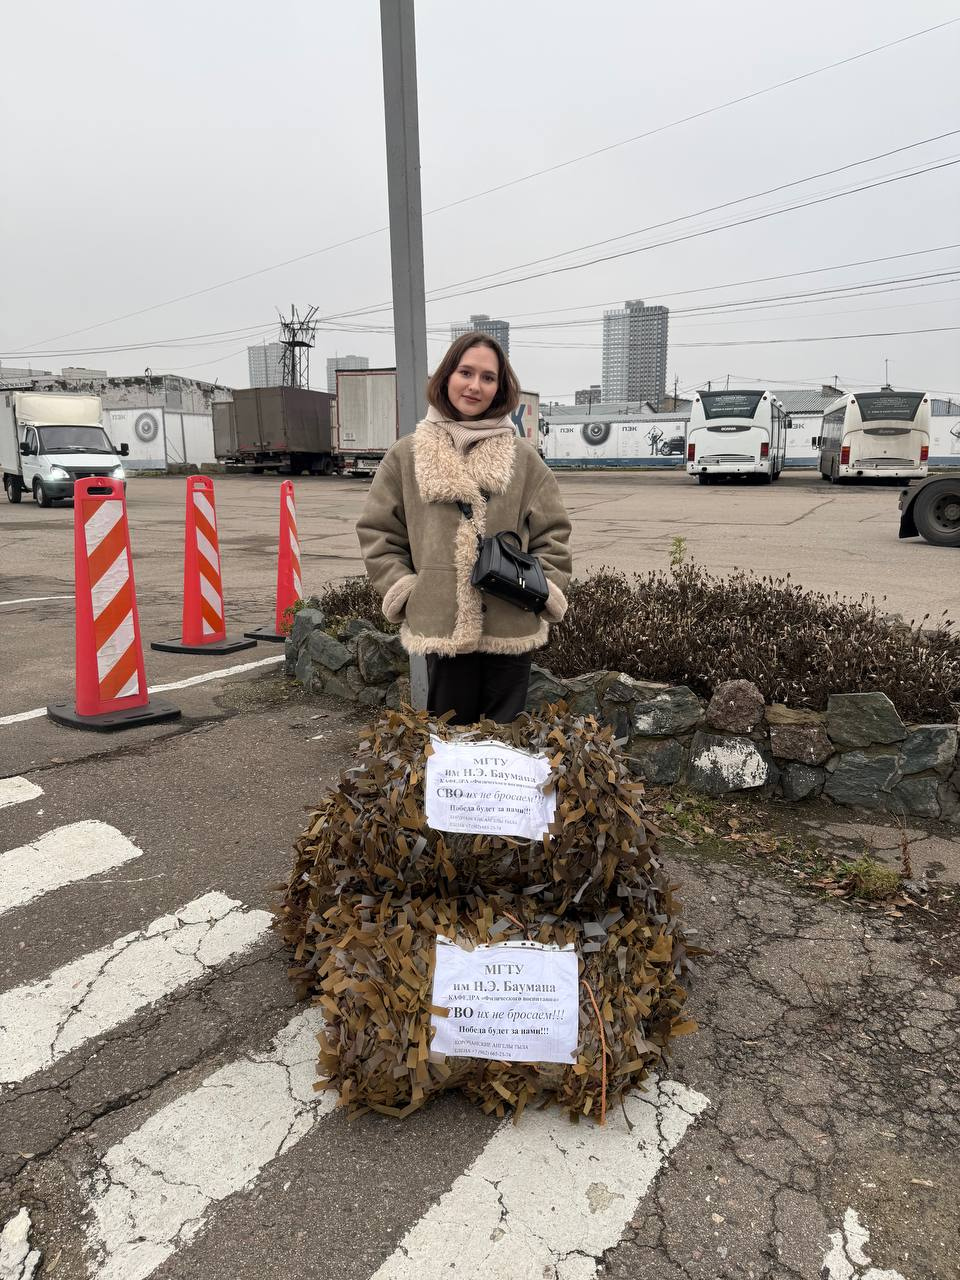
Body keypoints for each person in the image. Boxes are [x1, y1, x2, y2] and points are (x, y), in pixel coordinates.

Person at [356, 333, 572, 725]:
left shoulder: (524, 459)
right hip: (441, 623)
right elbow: (378, 532)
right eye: (465, 372)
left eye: (488, 377)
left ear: (500, 388)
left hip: (511, 621)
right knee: (450, 740)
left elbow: (553, 534)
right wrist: (406, 590)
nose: (475, 385)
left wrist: (545, 591)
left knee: (505, 743)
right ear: (446, 376)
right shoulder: (407, 455)